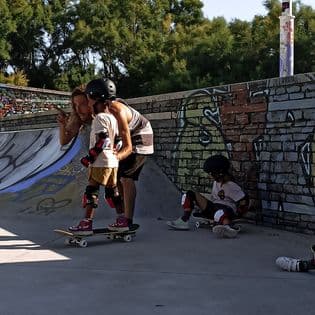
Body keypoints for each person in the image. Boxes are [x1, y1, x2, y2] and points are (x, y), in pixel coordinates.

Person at [84, 78, 154, 231]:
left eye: (89, 101)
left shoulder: (117, 110)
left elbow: (128, 147)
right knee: (118, 176)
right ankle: (121, 216)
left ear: (98, 99)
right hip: (125, 138)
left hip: (141, 138)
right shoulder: (103, 111)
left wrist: (115, 158)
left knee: (125, 177)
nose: (88, 104)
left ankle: (127, 220)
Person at [68, 90, 121, 234]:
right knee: (112, 192)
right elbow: (118, 141)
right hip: (112, 162)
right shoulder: (113, 118)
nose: (89, 105)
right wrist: (114, 152)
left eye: (90, 102)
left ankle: (86, 223)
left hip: (99, 162)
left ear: (98, 102)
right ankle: (122, 219)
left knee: (91, 192)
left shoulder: (99, 118)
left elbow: (103, 140)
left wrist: (89, 158)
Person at [166, 155, 249, 238]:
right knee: (189, 194)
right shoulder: (216, 183)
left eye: (211, 173)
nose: (210, 175)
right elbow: (213, 200)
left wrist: (238, 214)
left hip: (227, 210)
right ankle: (184, 220)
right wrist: (201, 206)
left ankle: (227, 228)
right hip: (214, 208)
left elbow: (244, 200)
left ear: (220, 172)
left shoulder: (231, 186)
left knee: (219, 213)